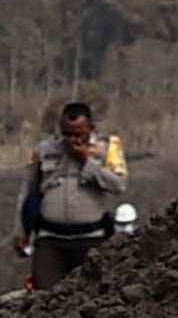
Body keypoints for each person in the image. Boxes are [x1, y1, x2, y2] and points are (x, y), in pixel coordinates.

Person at [19, 97, 128, 291]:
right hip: (51, 239)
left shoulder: (108, 149)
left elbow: (119, 185)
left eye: (79, 134)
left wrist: (87, 161)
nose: (73, 140)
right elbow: (28, 191)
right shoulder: (45, 150)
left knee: (90, 296)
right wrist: (21, 233)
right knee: (44, 299)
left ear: (91, 127)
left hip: (91, 239)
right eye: (67, 134)